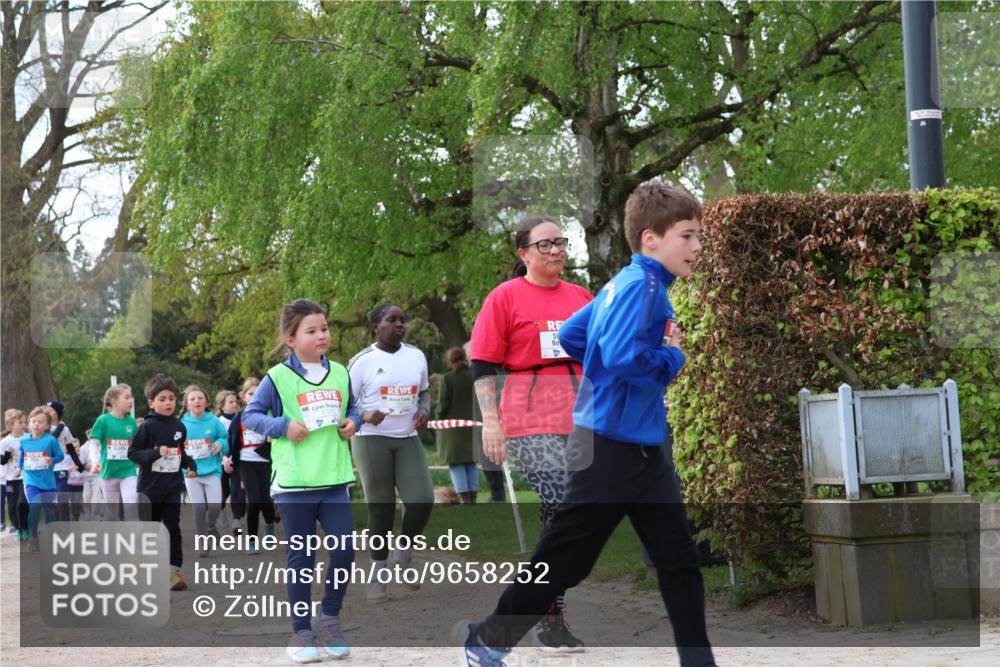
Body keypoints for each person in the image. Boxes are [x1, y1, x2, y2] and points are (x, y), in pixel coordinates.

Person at [457, 182, 717, 667]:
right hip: (608, 452)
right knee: (565, 564)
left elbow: (577, 335)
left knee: (680, 562)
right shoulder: (640, 287)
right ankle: (486, 639)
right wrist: (672, 358)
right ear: (650, 239)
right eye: (688, 235)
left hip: (645, 454)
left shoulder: (628, 282)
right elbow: (622, 357)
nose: (698, 246)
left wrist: (611, 365)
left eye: (698, 234)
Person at [468, 215, 594, 652]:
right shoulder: (504, 298)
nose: (556, 249)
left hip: (582, 418)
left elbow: (605, 353)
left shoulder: (581, 296)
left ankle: (542, 609)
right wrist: (491, 422)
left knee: (567, 520)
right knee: (562, 501)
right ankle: (545, 617)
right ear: (523, 254)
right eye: (545, 244)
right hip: (528, 420)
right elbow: (483, 364)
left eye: (560, 242)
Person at [243, 299, 360, 663]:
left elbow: (352, 408)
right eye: (311, 330)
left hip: (335, 480)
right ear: (291, 339)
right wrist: (282, 426)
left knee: (344, 550)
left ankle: (329, 618)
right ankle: (301, 632)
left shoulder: (340, 372)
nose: (322, 335)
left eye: (324, 328)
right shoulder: (276, 378)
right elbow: (251, 416)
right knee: (302, 559)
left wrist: (354, 422)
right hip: (295, 486)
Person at [348, 303, 434, 603]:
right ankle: (377, 573)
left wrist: (424, 408)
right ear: (376, 327)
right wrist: (364, 413)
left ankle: (403, 552)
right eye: (391, 320)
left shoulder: (416, 356)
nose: (400, 325)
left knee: (422, 499)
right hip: (371, 438)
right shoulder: (361, 362)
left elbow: (425, 390)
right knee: (381, 507)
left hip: (407, 436)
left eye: (402, 320)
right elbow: (345, 404)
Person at [128, 374, 198, 591]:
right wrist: (156, 452)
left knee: (172, 529)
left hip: (172, 487)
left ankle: (173, 572)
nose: (168, 402)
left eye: (171, 398)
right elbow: (133, 453)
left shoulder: (179, 426)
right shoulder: (147, 427)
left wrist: (190, 464)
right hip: (149, 489)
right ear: (151, 403)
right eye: (163, 399)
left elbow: (181, 453)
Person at [180, 385, 229, 556]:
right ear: (187, 405)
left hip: (212, 471)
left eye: (200, 398)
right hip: (192, 474)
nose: (197, 401)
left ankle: (210, 526)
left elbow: (225, 438)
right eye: (192, 399)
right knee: (199, 507)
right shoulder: (182, 424)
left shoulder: (213, 421)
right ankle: (202, 539)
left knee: (215, 506)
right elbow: (176, 446)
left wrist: (220, 444)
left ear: (206, 402)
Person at [227, 376, 276, 553]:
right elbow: (231, 441)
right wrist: (230, 460)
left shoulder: (269, 415)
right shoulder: (239, 417)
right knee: (253, 501)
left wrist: (273, 438)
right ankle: (252, 540)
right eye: (251, 393)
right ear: (243, 396)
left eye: (258, 393)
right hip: (246, 462)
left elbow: (279, 434)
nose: (254, 396)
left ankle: (270, 524)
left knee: (266, 501)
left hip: (266, 462)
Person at [89, 385, 140, 521]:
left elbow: (136, 445)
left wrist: (139, 459)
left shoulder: (131, 422)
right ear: (114, 401)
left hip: (128, 471)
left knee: (131, 505)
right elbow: (94, 444)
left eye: (131, 398)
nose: (131, 401)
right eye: (127, 397)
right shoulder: (103, 420)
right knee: (112, 513)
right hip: (109, 472)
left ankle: (133, 539)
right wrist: (95, 462)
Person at [435, 347, 479, 504]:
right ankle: (473, 498)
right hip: (473, 427)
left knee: (456, 464)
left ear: (450, 360)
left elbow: (442, 404)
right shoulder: (474, 377)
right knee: (471, 463)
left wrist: (437, 420)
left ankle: (464, 498)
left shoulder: (447, 378)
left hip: (452, 429)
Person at [18, 406, 64, 551]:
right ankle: (33, 538)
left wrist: (52, 460)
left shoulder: (50, 440)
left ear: (47, 425)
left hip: (48, 481)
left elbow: (60, 455)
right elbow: (22, 455)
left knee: (49, 511)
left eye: (40, 422)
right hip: (30, 480)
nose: (36, 424)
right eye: (33, 421)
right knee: (35, 506)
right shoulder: (24, 440)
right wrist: (20, 467)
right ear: (29, 423)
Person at [1, 409, 27, 540]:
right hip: (10, 479)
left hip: (24, 477)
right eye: (20, 422)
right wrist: (7, 453)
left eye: (25, 422)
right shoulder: (5, 442)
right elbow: (2, 461)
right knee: (11, 507)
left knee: (21, 504)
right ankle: (18, 529)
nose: (24, 425)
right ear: (11, 425)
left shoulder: (27, 438)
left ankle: (25, 528)